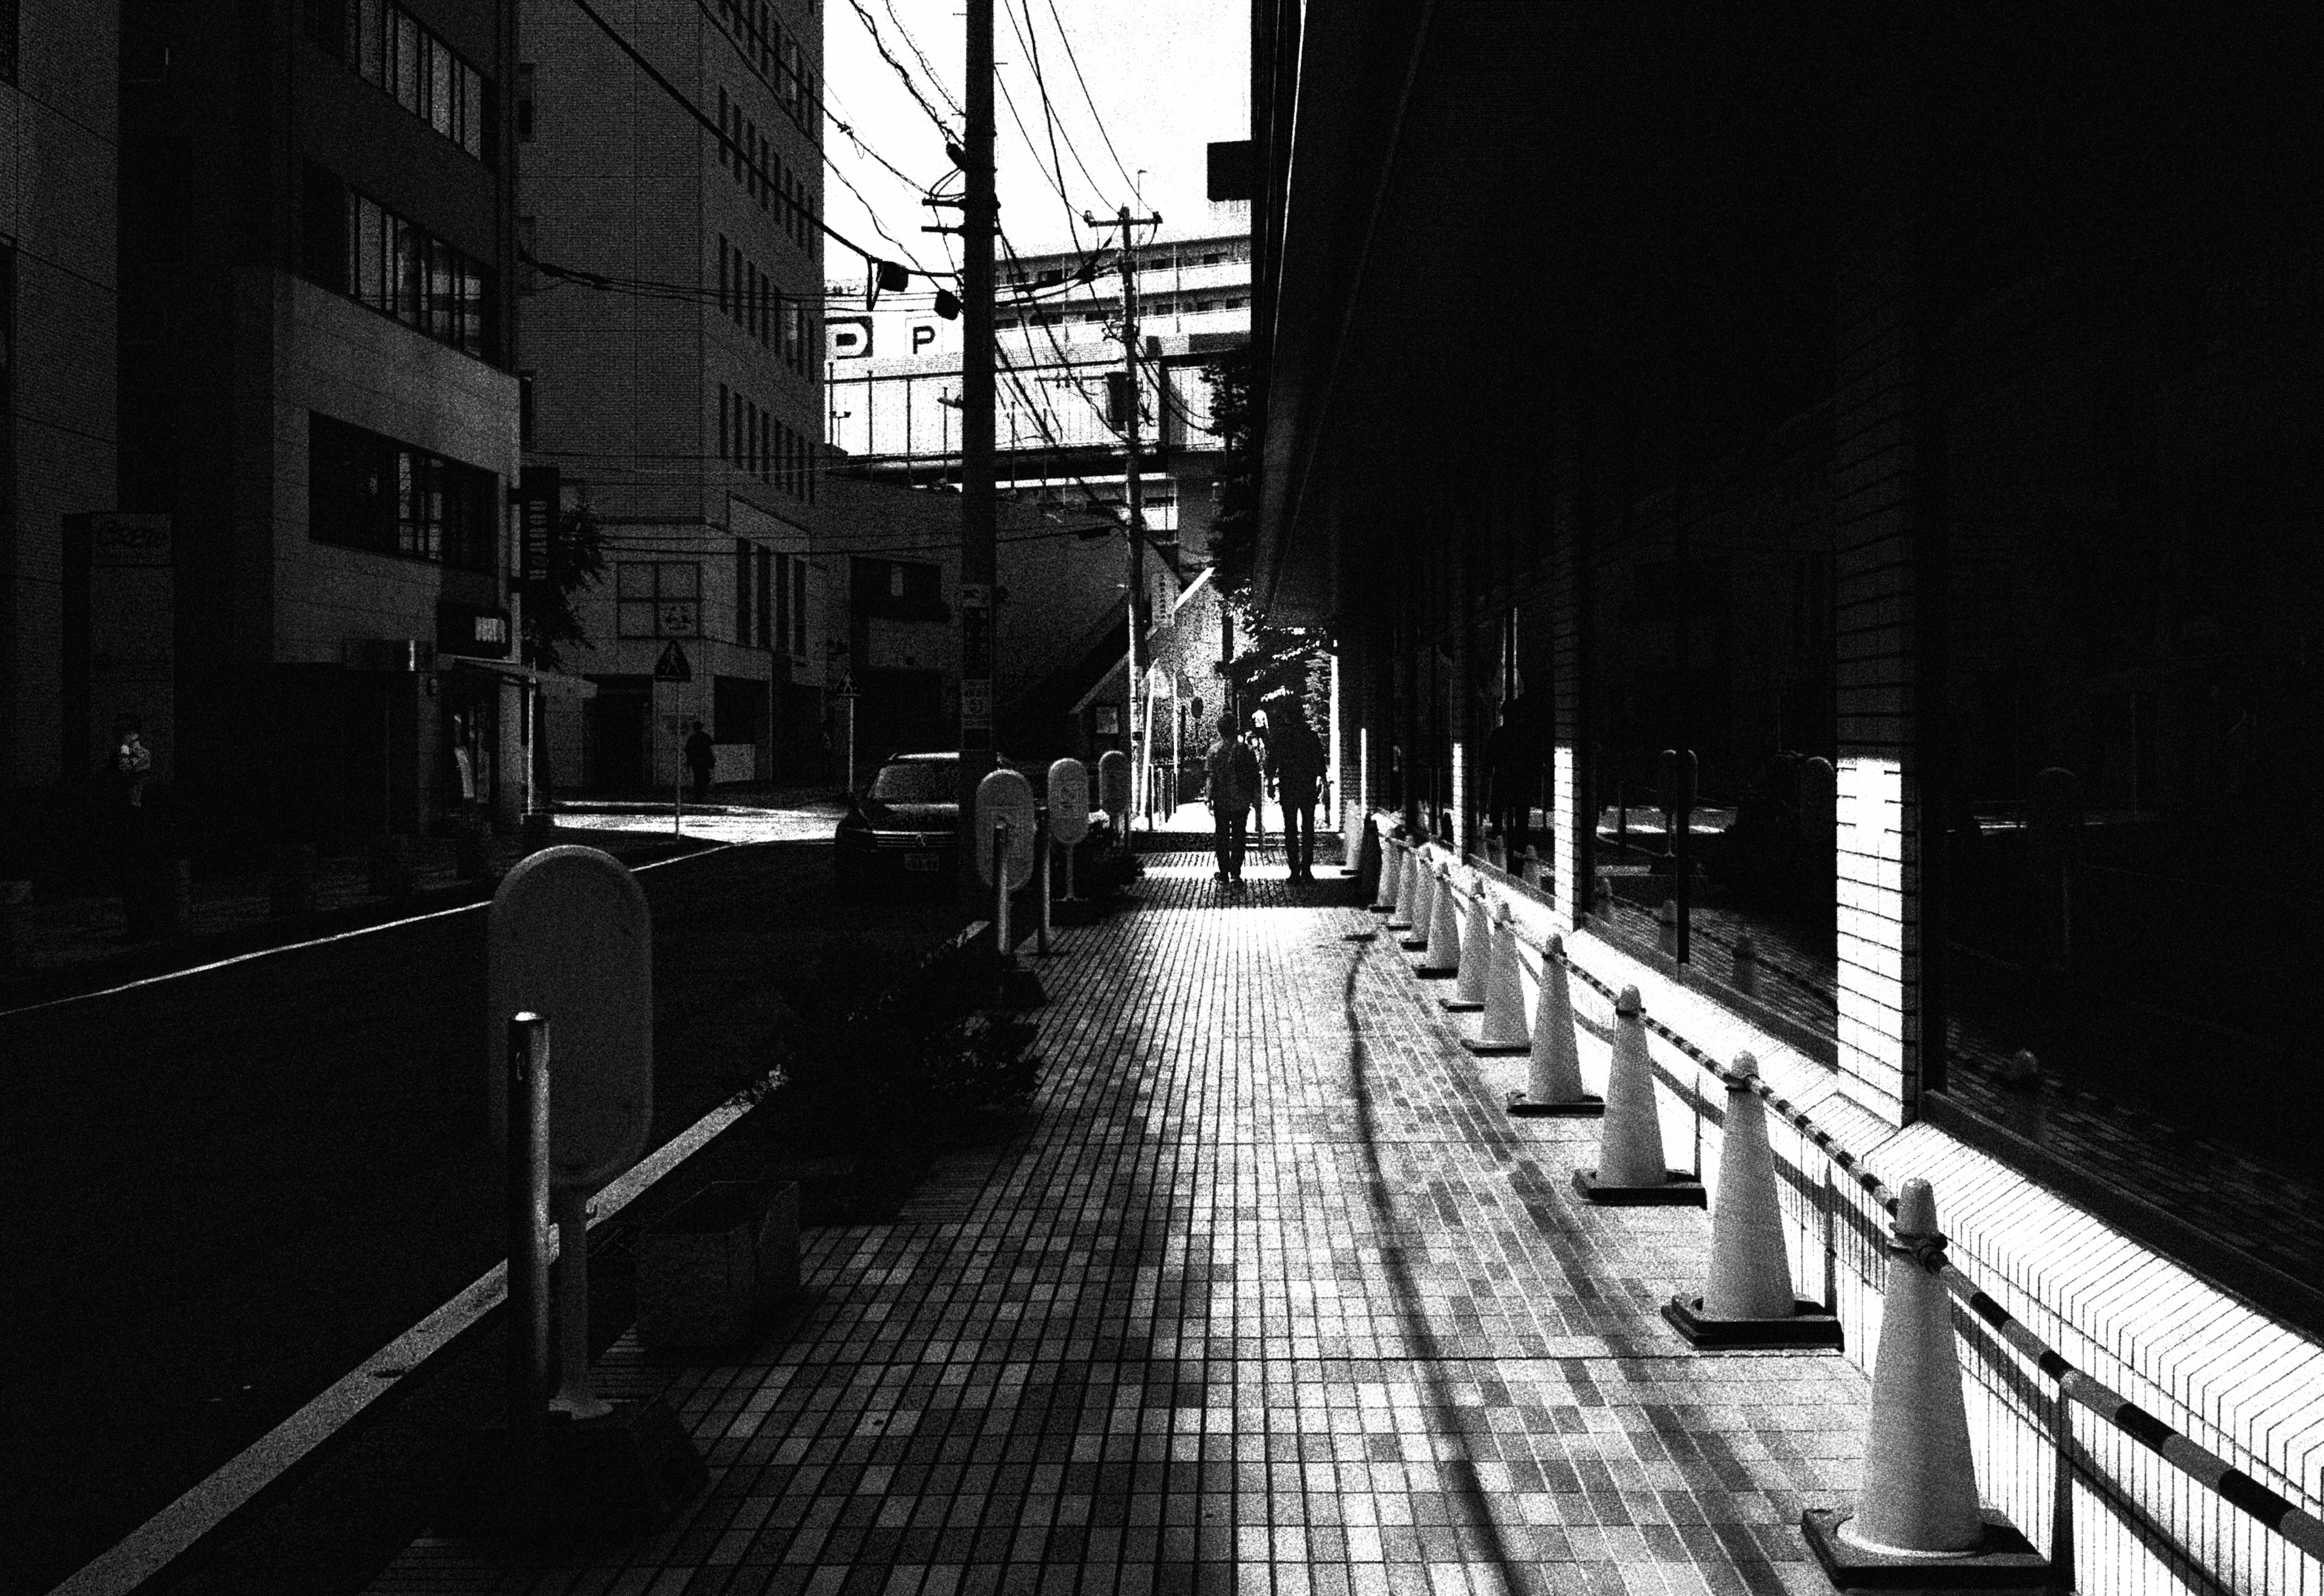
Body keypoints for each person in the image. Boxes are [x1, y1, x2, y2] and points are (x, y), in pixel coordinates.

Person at [1267, 704, 1326, 882]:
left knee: (1290, 829)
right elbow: (1320, 760)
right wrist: (1323, 781)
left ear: (1287, 717)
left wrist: (1270, 783)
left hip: (1289, 786)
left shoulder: (1281, 736)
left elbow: (1272, 761)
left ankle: (1294, 870)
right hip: (1307, 786)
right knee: (1308, 828)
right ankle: (1307, 869)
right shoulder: (1310, 736)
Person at [1203, 714, 1260, 885]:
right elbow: (1254, 775)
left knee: (1221, 836)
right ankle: (1236, 872)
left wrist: (1208, 797)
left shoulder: (1214, 751)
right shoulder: (1247, 750)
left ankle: (1224, 871)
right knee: (1239, 835)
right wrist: (1255, 797)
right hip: (1242, 799)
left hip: (1222, 799)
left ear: (1220, 731)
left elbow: (1210, 777)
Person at [1246, 709, 1271, 846]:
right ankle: (1258, 826)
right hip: (1253, 774)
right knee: (1255, 802)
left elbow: (1264, 756)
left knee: (1258, 803)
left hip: (1257, 774)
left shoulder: (1263, 739)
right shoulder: (1250, 738)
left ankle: (1259, 826)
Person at [684, 719, 715, 801]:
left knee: (698, 778)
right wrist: (712, 760)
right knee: (705, 777)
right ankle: (701, 793)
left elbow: (688, 752)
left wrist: (688, 763)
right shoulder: (705, 737)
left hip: (696, 761)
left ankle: (699, 794)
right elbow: (710, 749)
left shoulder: (692, 738)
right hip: (703, 761)